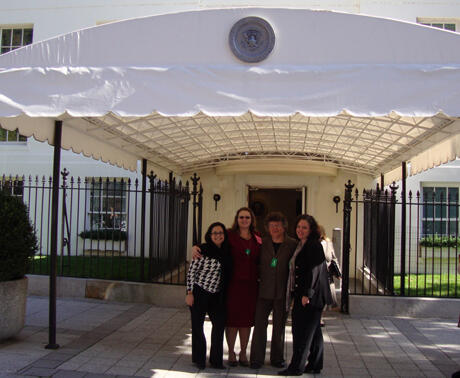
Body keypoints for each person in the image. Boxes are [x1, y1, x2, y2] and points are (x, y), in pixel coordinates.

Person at [192, 207, 261, 367]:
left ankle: (243, 353)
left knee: (246, 321)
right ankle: (231, 353)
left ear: (252, 220)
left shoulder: (258, 238)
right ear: (237, 219)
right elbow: (212, 243)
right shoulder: (229, 235)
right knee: (232, 321)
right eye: (241, 217)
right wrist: (195, 248)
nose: (244, 220)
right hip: (232, 285)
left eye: (247, 217)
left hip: (251, 286)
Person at [279, 215, 333, 376]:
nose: (300, 230)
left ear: (311, 230)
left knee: (301, 332)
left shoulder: (313, 245)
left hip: (311, 296)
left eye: (304, 228)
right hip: (308, 294)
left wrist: (306, 294)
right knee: (313, 331)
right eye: (298, 227)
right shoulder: (302, 244)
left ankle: (296, 367)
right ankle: (315, 364)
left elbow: (314, 271)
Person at [250, 212, 297, 369]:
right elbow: (250, 258)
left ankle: (277, 358)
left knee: (279, 327)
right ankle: (256, 359)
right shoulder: (261, 243)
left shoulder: (293, 244)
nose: (275, 228)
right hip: (263, 291)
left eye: (278, 225)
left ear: (284, 227)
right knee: (259, 326)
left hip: (282, 292)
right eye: (272, 225)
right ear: (267, 228)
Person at [186, 222, 232, 370]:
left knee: (219, 326)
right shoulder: (202, 250)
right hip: (199, 293)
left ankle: (216, 360)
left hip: (217, 295)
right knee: (197, 327)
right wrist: (189, 293)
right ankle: (200, 359)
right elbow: (191, 272)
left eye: (220, 232)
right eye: (214, 233)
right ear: (209, 235)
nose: (218, 235)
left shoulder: (227, 250)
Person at [318, 225, 341, 326]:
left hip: (326, 274)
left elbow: (333, 258)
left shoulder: (328, 243)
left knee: (323, 298)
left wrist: (338, 272)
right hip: (316, 274)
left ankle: (320, 318)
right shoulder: (310, 243)